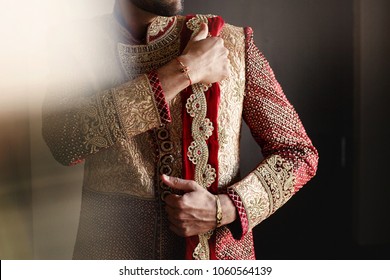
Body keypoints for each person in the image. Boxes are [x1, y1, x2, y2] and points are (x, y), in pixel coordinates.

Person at [42, 0, 318, 260]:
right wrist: (184, 71)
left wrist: (227, 208)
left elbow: (298, 153)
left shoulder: (229, 42)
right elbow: (64, 141)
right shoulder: (75, 45)